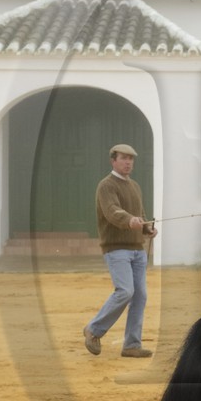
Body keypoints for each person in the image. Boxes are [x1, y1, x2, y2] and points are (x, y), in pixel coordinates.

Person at [82, 143, 157, 358]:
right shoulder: (106, 185)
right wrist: (129, 220)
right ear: (113, 160)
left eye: (131, 159)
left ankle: (132, 345)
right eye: (124, 158)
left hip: (137, 249)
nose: (128, 162)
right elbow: (112, 211)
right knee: (125, 291)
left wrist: (147, 228)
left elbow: (140, 214)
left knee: (140, 296)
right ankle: (93, 330)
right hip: (116, 249)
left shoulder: (135, 186)